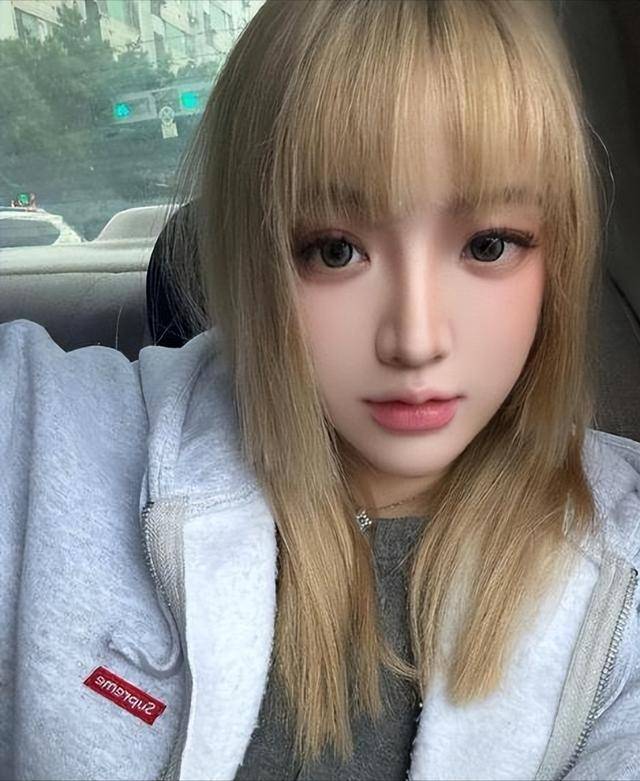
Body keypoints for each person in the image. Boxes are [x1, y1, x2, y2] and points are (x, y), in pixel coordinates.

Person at [1, 1, 639, 779]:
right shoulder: (50, 441)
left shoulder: (626, 565)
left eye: (488, 244)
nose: (415, 339)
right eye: (334, 250)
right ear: (254, 256)